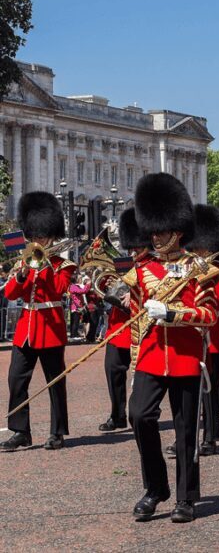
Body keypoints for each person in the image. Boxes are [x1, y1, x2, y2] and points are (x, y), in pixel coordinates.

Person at [127, 173, 216, 522]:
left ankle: (185, 497)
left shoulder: (200, 271)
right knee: (140, 416)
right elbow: (135, 316)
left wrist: (174, 313)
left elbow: (209, 315)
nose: (155, 236)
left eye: (161, 231)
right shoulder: (142, 270)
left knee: (185, 430)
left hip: (184, 358)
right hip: (151, 356)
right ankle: (155, 488)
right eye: (153, 231)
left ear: (177, 231)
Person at [1, 192, 77, 451]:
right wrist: (22, 274)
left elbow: (58, 290)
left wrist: (43, 266)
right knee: (16, 379)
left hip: (50, 327)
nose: (38, 240)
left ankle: (57, 431)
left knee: (55, 381)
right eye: (34, 236)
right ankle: (21, 431)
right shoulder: (25, 259)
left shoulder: (64, 265)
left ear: (52, 234)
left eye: (41, 235)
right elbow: (11, 293)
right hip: (26, 329)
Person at [186, 204, 219, 456]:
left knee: (209, 391)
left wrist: (206, 276)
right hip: (188, 337)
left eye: (202, 248)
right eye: (195, 248)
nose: (198, 252)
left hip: (213, 338)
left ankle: (209, 438)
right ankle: (190, 437)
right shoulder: (186, 269)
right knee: (188, 391)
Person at [98, 208, 152, 432]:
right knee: (113, 371)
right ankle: (117, 414)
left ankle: (141, 413)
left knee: (142, 376)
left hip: (141, 327)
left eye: (138, 246)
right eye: (132, 246)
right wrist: (104, 286)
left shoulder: (153, 265)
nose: (134, 250)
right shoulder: (123, 261)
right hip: (118, 327)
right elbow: (106, 288)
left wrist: (136, 294)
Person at [68, 274, 90, 341]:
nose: (81, 279)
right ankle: (73, 335)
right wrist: (87, 284)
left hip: (77, 306)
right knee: (75, 322)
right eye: (80, 278)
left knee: (76, 321)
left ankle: (73, 335)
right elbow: (83, 291)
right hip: (75, 307)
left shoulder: (75, 286)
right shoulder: (73, 286)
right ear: (76, 279)